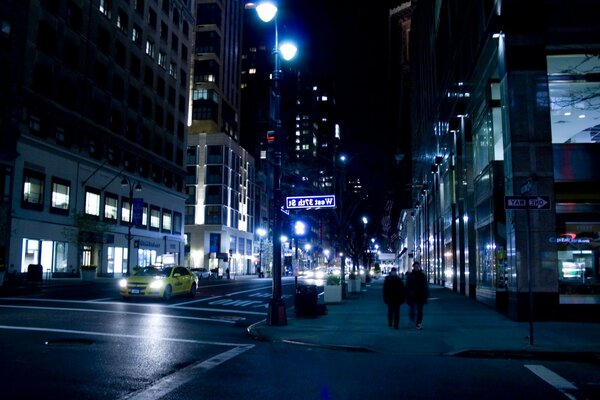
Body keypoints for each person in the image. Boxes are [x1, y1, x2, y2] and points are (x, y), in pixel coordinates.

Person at [406, 261, 428, 330]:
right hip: (412, 295)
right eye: (415, 267)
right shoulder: (411, 275)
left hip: (420, 295)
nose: (416, 268)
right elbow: (407, 285)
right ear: (413, 267)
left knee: (420, 311)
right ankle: (412, 318)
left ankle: (418, 323)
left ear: (419, 267)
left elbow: (425, 286)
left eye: (417, 267)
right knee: (412, 309)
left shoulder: (422, 275)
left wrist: (426, 294)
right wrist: (408, 293)